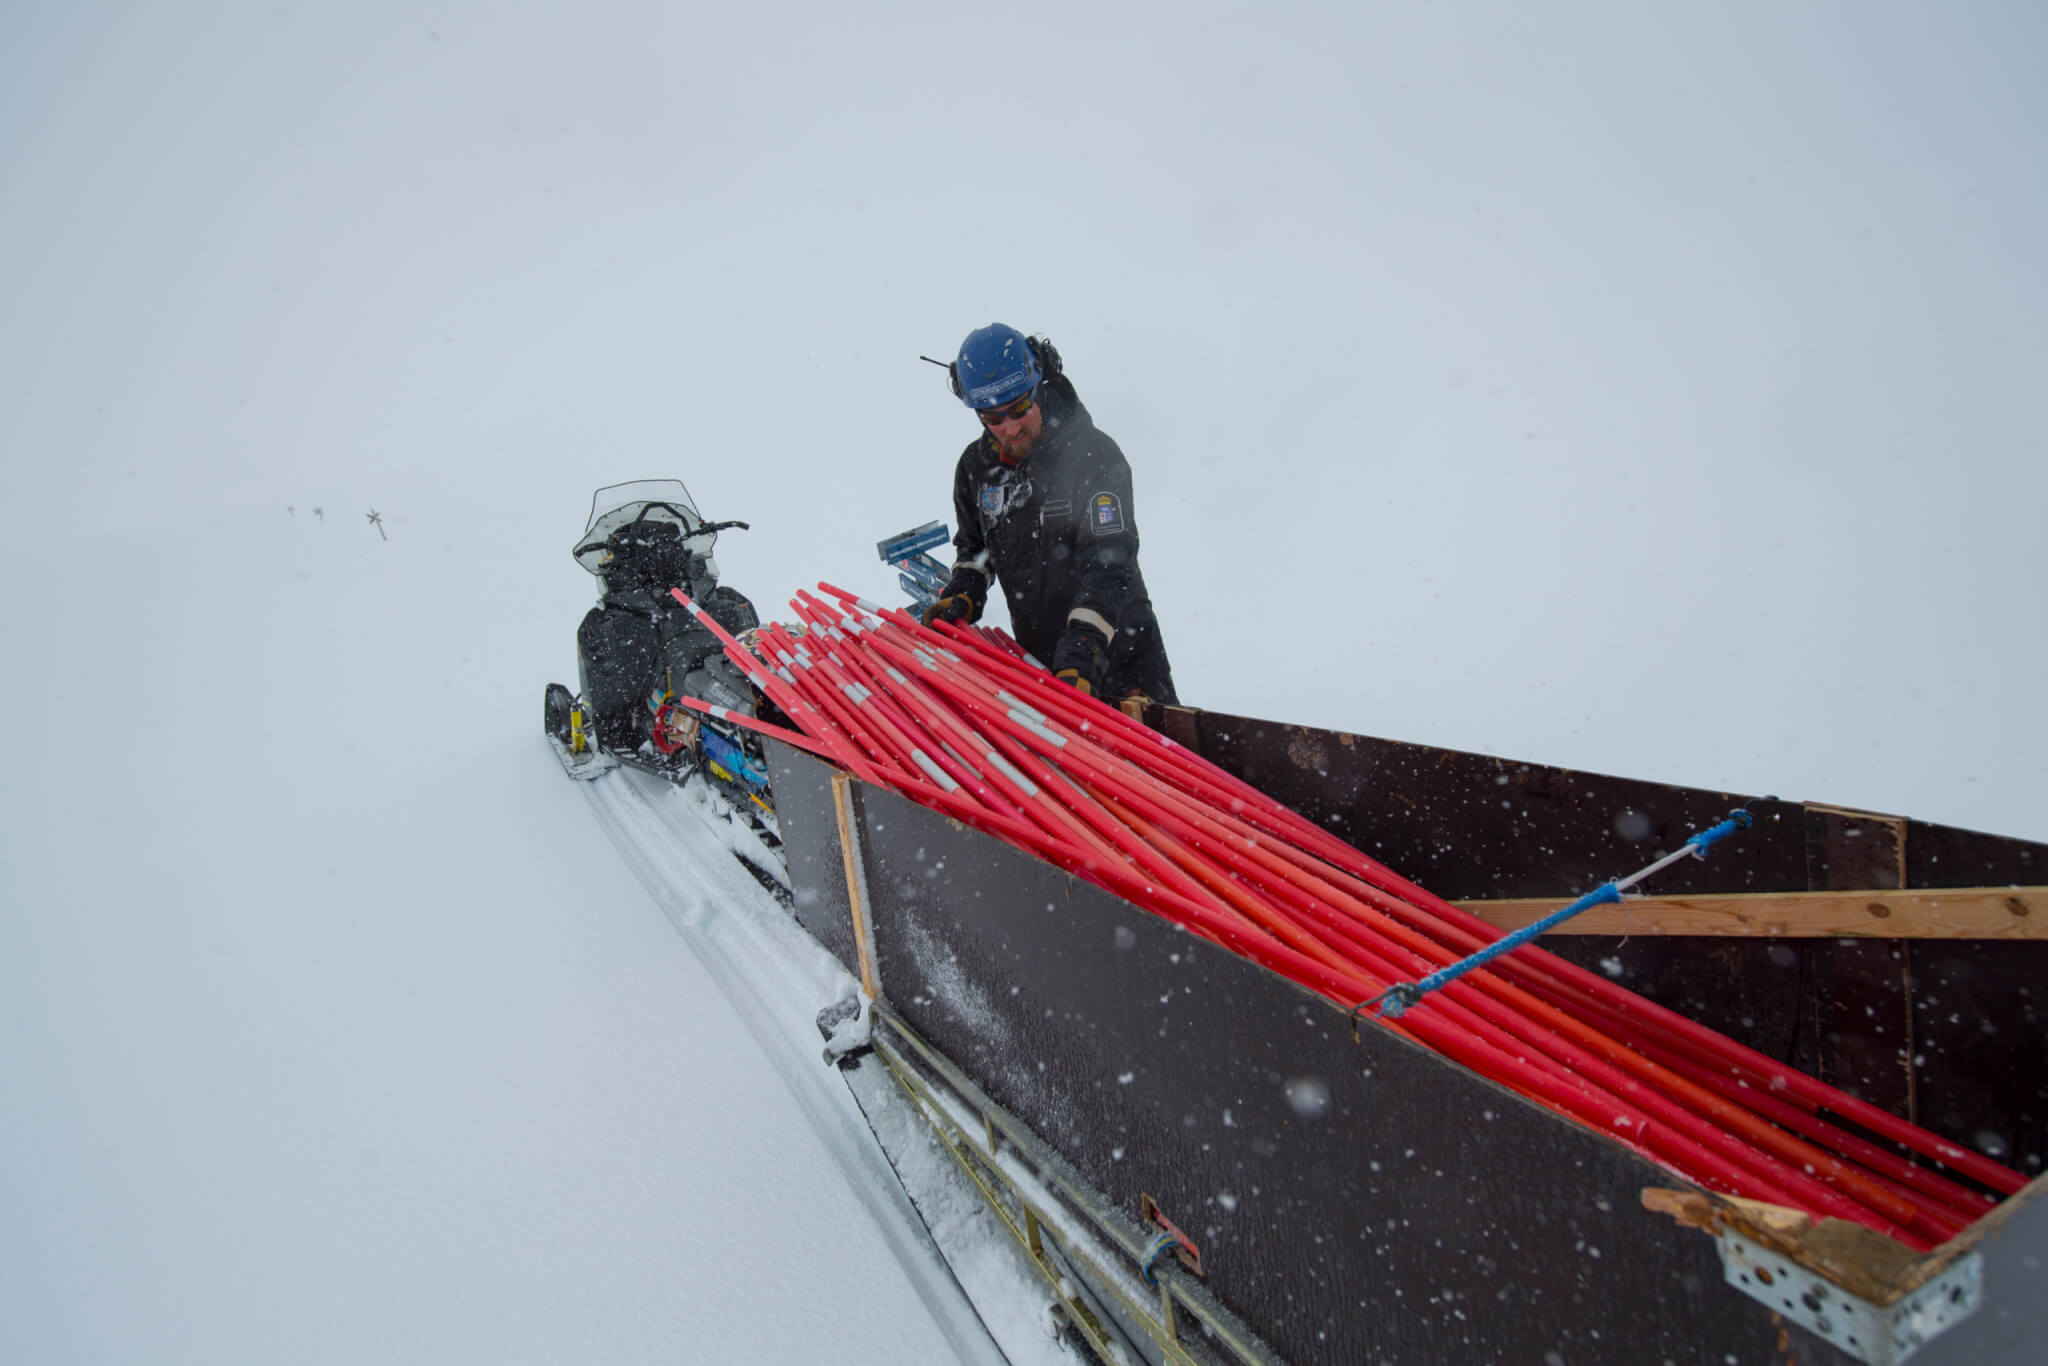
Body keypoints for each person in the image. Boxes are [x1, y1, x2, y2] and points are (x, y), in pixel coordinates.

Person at [923, 323, 1177, 705]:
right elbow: (975, 547)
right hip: (1041, 668)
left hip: (1123, 661)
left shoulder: (1095, 456)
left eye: (1019, 408)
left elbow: (1110, 559)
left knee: (1152, 765)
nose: (1010, 427)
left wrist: (1083, 647)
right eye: (993, 418)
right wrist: (965, 591)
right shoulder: (976, 469)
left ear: (1038, 385)